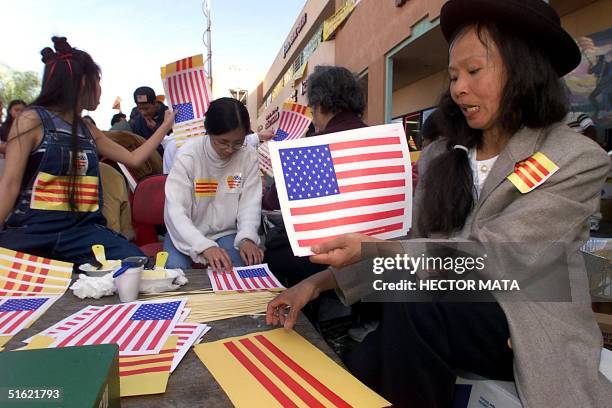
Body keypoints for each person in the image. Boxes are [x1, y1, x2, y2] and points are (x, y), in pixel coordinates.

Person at [267, 1, 612, 407]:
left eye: (474, 71)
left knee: (412, 293)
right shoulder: (443, 154)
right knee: (360, 365)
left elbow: (497, 256)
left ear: (526, 70)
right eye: (453, 76)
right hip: (437, 313)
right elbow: (417, 243)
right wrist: (310, 285)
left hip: (522, 320)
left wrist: (377, 251)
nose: (458, 87)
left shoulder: (574, 157)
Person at [0, 36, 175, 265]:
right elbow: (9, 185)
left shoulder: (89, 130)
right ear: (82, 83)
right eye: (98, 81)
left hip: (83, 233)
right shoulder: (31, 120)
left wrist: (164, 127)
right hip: (33, 233)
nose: (101, 90)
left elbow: (134, 158)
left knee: (138, 266)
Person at [263, 65, 367, 287]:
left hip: (325, 256)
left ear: (319, 105)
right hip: (377, 257)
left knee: (274, 251)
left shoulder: (312, 148)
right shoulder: (381, 140)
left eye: (312, 110)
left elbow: (272, 201)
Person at [164, 97, 263, 271]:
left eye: (238, 142)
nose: (230, 149)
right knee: (176, 272)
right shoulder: (189, 155)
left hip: (227, 233)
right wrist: (204, 246)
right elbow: (175, 212)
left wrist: (247, 237)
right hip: (186, 232)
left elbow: (250, 203)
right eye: (223, 142)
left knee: (241, 271)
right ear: (208, 131)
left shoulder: (248, 156)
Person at [131, 86, 169, 156]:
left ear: (155, 103)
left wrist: (157, 128)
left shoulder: (169, 115)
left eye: (146, 108)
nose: (143, 113)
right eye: (140, 109)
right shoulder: (138, 123)